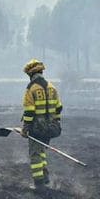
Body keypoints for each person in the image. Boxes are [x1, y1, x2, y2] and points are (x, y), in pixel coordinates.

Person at [20, 59, 63, 190]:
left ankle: (39, 183)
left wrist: (25, 129)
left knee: (35, 155)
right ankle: (45, 178)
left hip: (36, 128)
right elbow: (58, 108)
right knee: (42, 151)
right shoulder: (52, 87)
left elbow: (29, 111)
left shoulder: (31, 88)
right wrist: (56, 123)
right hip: (51, 127)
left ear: (30, 74)